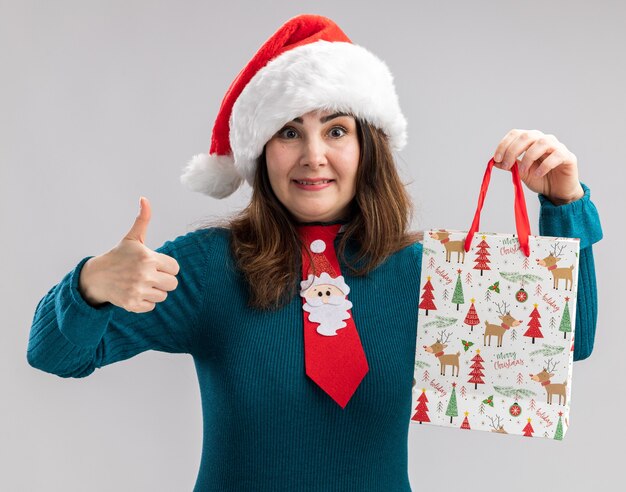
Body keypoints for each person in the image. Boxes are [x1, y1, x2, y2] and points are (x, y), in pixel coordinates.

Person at [27, 13, 603, 491]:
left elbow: (564, 344)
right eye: (287, 132)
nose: (312, 155)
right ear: (260, 152)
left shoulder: (422, 273)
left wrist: (565, 205)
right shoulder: (209, 267)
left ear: (366, 145)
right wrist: (90, 286)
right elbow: (55, 355)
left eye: (334, 130)